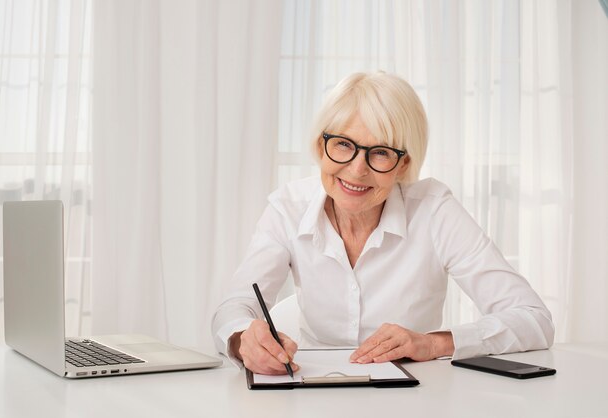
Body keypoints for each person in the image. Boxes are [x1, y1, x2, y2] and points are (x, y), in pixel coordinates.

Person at [211, 72, 554, 375]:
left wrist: (433, 344)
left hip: (415, 398)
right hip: (313, 396)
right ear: (321, 146)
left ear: (403, 165)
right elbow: (234, 308)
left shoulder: (435, 211)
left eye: (380, 152)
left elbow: (534, 319)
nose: (357, 170)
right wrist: (244, 340)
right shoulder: (288, 207)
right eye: (344, 145)